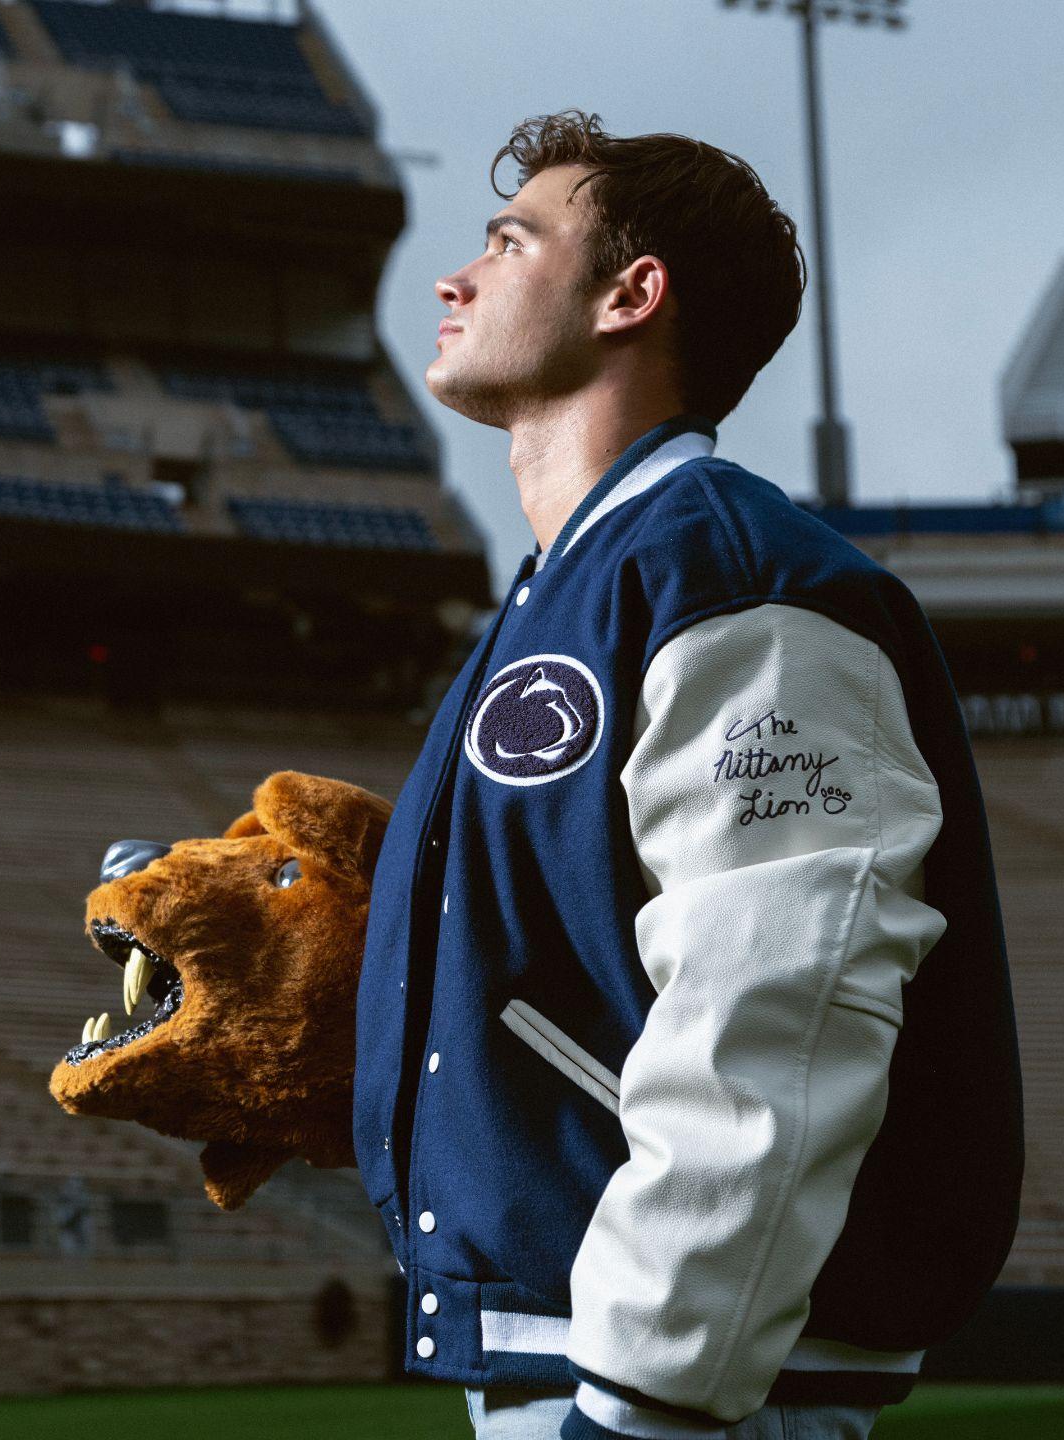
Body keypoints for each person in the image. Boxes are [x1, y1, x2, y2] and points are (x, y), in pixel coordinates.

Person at [349, 110, 1024, 1440]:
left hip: (693, 1386)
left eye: (509, 243)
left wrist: (651, 1394)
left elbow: (783, 991)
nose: (454, 279)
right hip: (589, 1352)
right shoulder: (559, 592)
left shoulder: (734, 578)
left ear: (631, 294)